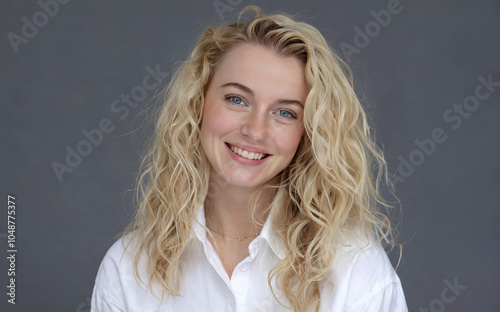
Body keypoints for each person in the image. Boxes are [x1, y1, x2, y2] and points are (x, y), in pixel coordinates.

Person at [91, 5, 408, 312]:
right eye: (237, 99)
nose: (256, 131)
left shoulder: (355, 269)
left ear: (308, 133)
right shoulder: (127, 269)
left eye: (284, 112)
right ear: (197, 104)